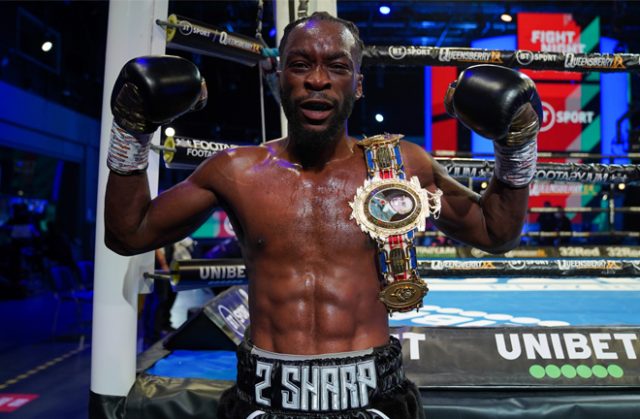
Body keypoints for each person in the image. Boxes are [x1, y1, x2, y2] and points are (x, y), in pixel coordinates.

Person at [104, 12, 540, 419]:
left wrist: (516, 144)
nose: (317, 80)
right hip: (264, 396)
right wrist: (132, 131)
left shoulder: (400, 166)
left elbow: (495, 230)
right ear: (278, 78)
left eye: (336, 66)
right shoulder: (235, 171)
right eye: (299, 65)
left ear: (359, 84)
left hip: (373, 396)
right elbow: (129, 233)